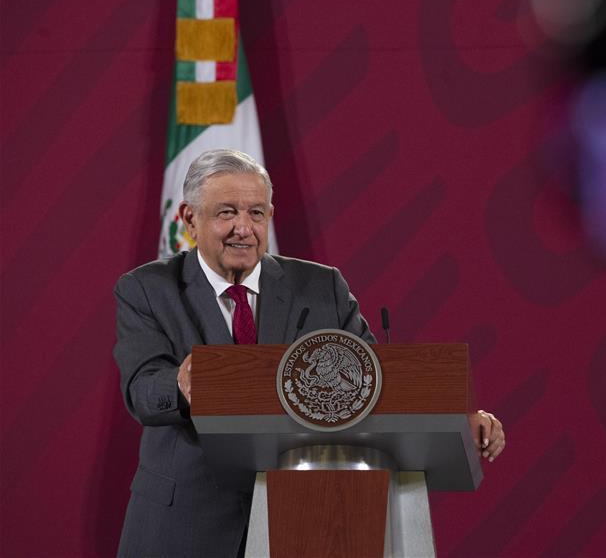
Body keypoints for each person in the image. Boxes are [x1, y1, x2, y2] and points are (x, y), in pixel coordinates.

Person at [113, 149, 505, 557]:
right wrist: (181, 383)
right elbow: (141, 389)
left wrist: (459, 419)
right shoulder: (148, 289)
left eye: (257, 213)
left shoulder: (321, 286)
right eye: (226, 213)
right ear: (190, 219)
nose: (243, 228)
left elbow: (376, 384)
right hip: (185, 523)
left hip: (311, 515)